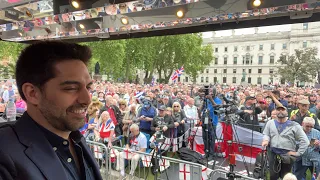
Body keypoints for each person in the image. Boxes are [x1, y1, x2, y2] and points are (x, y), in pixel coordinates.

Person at [0, 41, 102, 180]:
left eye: (88, 88)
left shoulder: (77, 140)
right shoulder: (5, 155)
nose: (87, 99)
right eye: (71, 88)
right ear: (32, 93)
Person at [262, 106, 309, 180]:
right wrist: (266, 140)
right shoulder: (270, 123)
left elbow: (305, 141)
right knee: (273, 176)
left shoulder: (294, 125)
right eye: (278, 110)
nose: (280, 111)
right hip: (273, 152)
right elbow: (266, 134)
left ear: (287, 112)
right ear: (275, 112)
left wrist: (298, 153)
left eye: (283, 110)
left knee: (285, 176)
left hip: (287, 154)